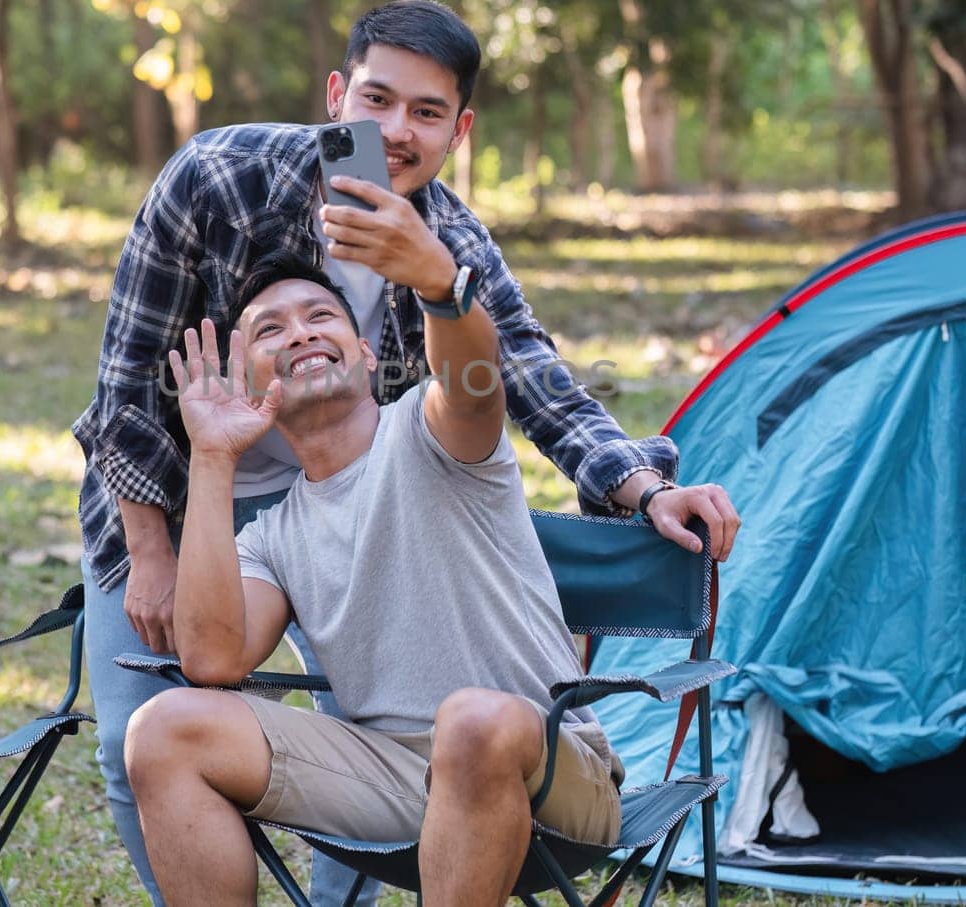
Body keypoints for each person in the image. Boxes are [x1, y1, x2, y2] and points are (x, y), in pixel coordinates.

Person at [72, 0, 739, 904]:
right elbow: (124, 384)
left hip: (362, 483)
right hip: (184, 488)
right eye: (377, 101)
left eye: (426, 113)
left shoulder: (449, 260)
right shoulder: (218, 179)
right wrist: (156, 542)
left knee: (410, 715)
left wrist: (635, 480)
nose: (394, 132)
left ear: (458, 130)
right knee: (137, 735)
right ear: (337, 92)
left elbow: (514, 374)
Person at [126, 255, 721, 905]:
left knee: (470, 718)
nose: (299, 333)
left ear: (364, 353)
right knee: (162, 727)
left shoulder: (430, 432)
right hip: (394, 779)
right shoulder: (270, 537)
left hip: (549, 765)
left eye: (320, 316)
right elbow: (213, 657)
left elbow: (471, 379)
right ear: (246, 382)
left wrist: (440, 286)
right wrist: (212, 457)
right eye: (271, 331)